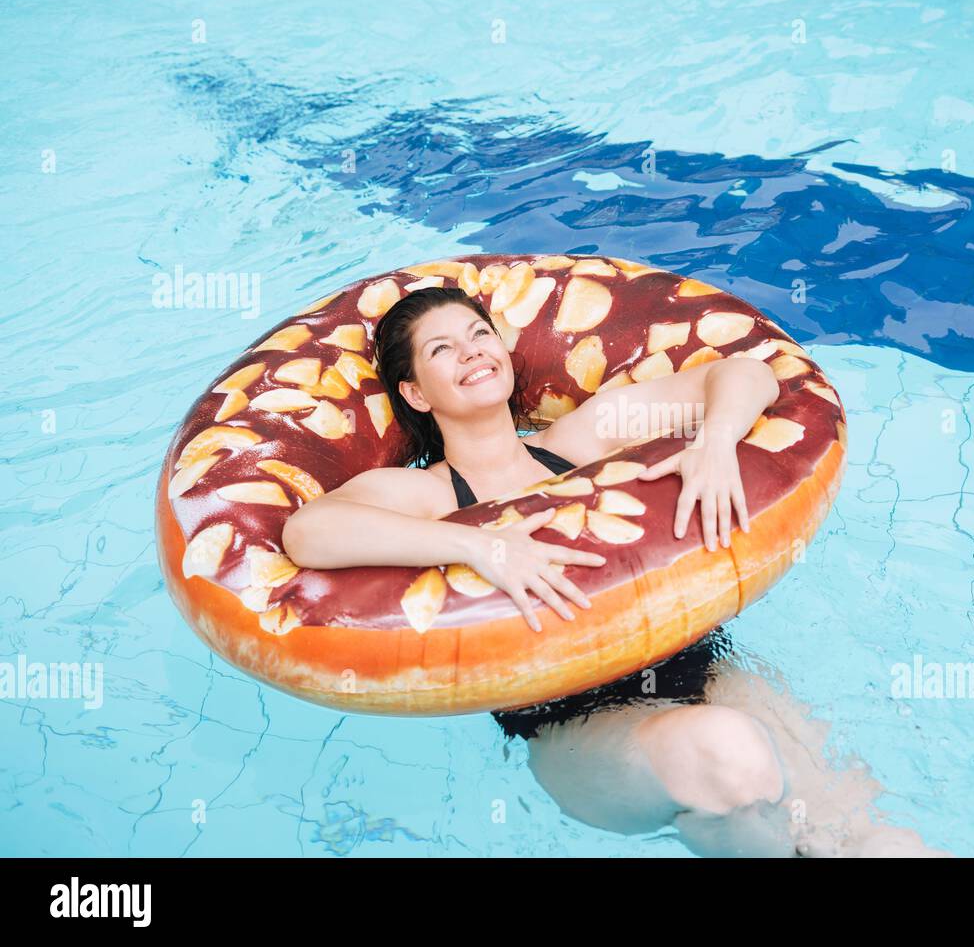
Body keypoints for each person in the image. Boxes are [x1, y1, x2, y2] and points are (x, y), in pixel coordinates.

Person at [282, 285, 940, 857]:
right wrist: (480, 545)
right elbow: (309, 533)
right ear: (414, 393)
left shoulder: (581, 444)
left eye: (479, 334)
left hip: (701, 666)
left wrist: (712, 443)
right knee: (727, 761)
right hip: (572, 723)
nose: (472, 350)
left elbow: (746, 374)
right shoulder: (425, 494)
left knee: (884, 844)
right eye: (443, 350)